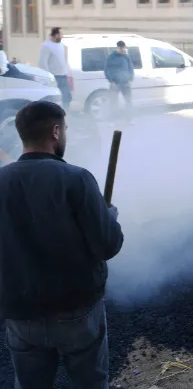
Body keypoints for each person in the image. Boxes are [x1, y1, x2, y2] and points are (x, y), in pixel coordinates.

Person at [0, 101, 124, 389]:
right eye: (65, 129)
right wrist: (109, 217)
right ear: (55, 131)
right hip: (76, 311)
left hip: (19, 312)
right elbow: (107, 246)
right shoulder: (76, 179)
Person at [38, 27, 71, 108]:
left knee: (67, 98)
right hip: (54, 77)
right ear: (56, 35)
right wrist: (48, 77)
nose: (62, 36)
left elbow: (64, 61)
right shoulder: (46, 46)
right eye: (61, 34)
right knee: (54, 100)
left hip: (63, 76)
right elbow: (43, 63)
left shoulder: (62, 46)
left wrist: (67, 72)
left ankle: (66, 113)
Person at [103, 41, 134, 121]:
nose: (122, 50)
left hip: (125, 82)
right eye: (121, 48)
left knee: (128, 101)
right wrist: (111, 81)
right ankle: (113, 120)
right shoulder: (111, 57)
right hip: (115, 83)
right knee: (113, 101)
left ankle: (129, 119)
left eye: (123, 48)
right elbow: (107, 70)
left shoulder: (126, 57)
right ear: (117, 48)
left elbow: (130, 68)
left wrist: (130, 80)